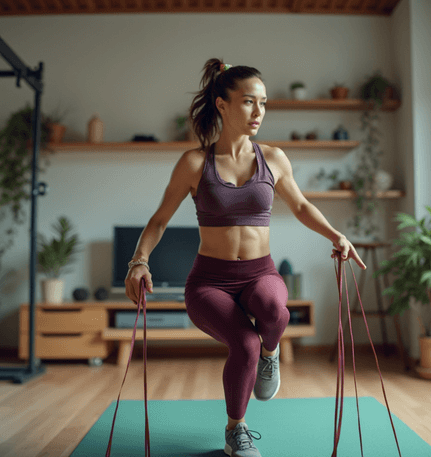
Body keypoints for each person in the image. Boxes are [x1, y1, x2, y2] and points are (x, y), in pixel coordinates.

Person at [124, 58, 366, 457]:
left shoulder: (272, 158)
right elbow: (159, 219)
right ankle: (236, 429)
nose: (259, 112)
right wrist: (139, 261)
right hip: (208, 282)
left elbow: (302, 206)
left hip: (259, 273)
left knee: (276, 310)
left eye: (264, 103)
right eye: (249, 102)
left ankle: (271, 355)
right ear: (222, 104)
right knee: (244, 344)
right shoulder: (194, 163)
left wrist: (337, 235)